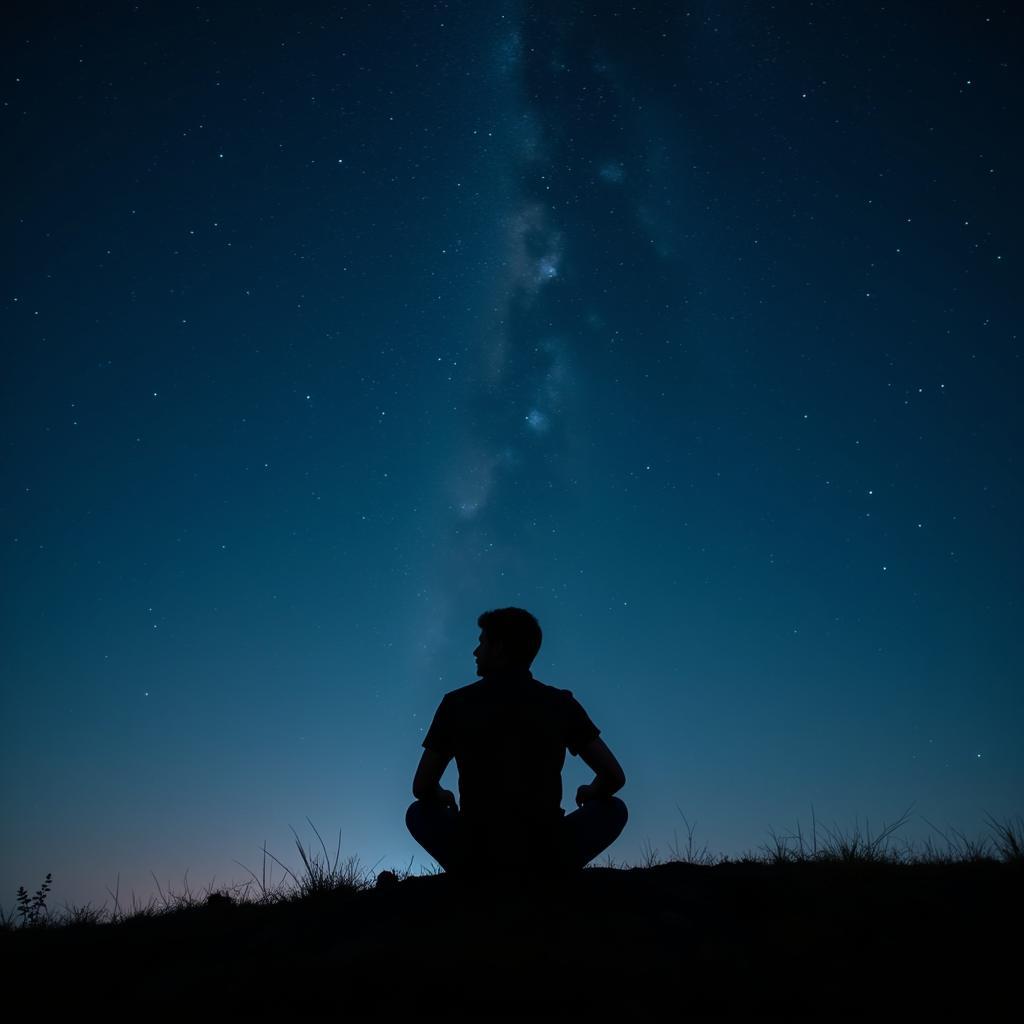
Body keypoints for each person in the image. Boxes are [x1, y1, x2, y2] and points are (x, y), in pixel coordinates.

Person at [406, 607, 627, 882]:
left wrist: (442, 796)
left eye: (482, 642)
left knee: (419, 812)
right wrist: (592, 791)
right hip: (546, 850)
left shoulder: (456, 704)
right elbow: (614, 776)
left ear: (498, 647)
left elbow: (421, 787)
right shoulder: (560, 703)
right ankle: (550, 876)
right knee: (614, 809)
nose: (475, 652)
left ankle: (475, 877)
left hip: (477, 850)